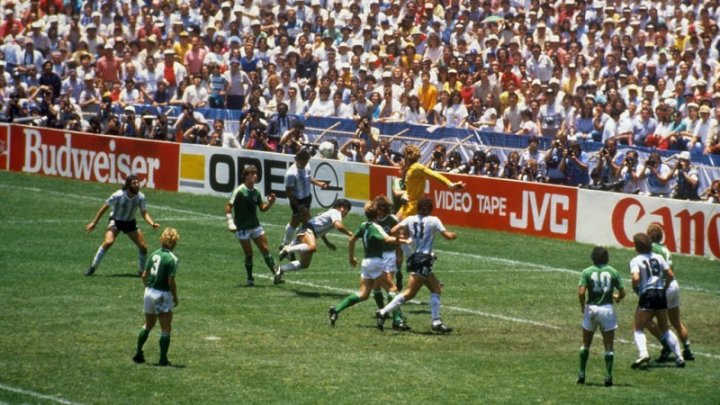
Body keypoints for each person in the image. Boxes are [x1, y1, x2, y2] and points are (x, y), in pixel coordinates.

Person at [375, 197, 457, 333]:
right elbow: (447, 236)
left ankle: (436, 322)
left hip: (416, 259)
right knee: (409, 293)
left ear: (418, 208)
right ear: (430, 209)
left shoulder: (410, 219)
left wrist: (403, 240)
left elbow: (393, 230)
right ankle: (382, 312)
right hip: (423, 259)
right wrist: (453, 235)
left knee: (436, 288)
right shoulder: (434, 220)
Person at [327, 200, 408, 327]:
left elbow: (352, 240)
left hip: (366, 262)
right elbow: (388, 238)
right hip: (376, 262)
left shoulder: (363, 225)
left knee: (363, 294)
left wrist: (351, 257)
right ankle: (397, 320)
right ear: (377, 215)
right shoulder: (376, 227)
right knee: (393, 289)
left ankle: (336, 309)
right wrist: (404, 240)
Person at [84, 174, 160, 276]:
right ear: (128, 185)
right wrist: (94, 222)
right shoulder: (118, 195)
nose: (137, 185)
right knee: (108, 242)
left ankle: (142, 272)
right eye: (134, 183)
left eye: (138, 182)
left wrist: (152, 223)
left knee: (143, 247)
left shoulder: (141, 197)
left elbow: (144, 213)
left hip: (130, 222)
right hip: (116, 221)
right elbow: (105, 207)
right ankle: (93, 267)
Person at [629, 233, 685, 369]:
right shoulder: (658, 257)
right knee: (665, 327)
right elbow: (670, 274)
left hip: (648, 294)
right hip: (660, 293)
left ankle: (643, 353)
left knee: (638, 327)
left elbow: (636, 278)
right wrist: (664, 287)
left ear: (636, 246)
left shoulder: (636, 260)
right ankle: (679, 356)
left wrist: (635, 288)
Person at [576, 246, 626, 387]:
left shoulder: (587, 272)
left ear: (592, 258)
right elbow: (622, 292)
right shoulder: (613, 272)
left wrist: (582, 306)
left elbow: (581, 292)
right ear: (607, 258)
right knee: (608, 346)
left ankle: (581, 373)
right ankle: (608, 376)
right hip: (607, 309)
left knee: (586, 343)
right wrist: (617, 297)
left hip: (591, 309)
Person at [645, 223, 695, 362]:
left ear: (649, 236)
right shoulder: (666, 249)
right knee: (676, 321)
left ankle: (667, 348)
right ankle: (688, 349)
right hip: (673, 285)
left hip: (663, 286)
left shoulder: (652, 248)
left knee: (654, 321)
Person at [274, 199, 354, 282]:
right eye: (347, 210)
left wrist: (327, 243)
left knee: (304, 264)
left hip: (308, 232)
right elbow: (338, 226)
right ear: (342, 208)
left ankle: (281, 269)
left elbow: (320, 229)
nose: (347, 213)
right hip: (307, 230)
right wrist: (350, 233)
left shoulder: (330, 213)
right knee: (312, 247)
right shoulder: (336, 212)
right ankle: (288, 248)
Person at [133, 227, 180, 367]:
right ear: (175, 242)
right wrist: (175, 297)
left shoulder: (154, 254)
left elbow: (144, 275)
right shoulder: (172, 259)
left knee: (148, 325)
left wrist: (147, 287)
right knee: (166, 328)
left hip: (149, 292)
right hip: (162, 294)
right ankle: (163, 359)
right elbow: (171, 281)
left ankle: (138, 352)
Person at [225, 165, 279, 287]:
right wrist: (230, 222)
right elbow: (228, 206)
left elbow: (262, 209)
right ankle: (250, 278)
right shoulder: (239, 191)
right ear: (246, 176)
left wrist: (270, 203)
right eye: (253, 174)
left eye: (256, 174)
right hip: (242, 227)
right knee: (249, 254)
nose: (255, 176)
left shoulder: (256, 192)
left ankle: (276, 273)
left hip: (255, 225)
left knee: (265, 248)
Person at [396, 144, 465, 220]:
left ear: (407, 156)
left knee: (401, 229)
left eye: (404, 156)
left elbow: (433, 174)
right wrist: (405, 194)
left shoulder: (417, 167)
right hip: (407, 203)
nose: (403, 158)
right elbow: (411, 188)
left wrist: (449, 184)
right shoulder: (410, 168)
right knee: (394, 223)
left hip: (413, 205)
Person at [280, 148, 329, 248]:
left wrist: (318, 183)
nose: (307, 162)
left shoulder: (307, 166)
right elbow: (288, 193)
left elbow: (308, 177)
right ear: (299, 159)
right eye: (305, 160)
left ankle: (285, 244)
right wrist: (300, 207)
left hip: (307, 198)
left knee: (295, 222)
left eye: (307, 160)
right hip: (297, 200)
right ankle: (288, 247)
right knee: (309, 223)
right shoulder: (291, 174)